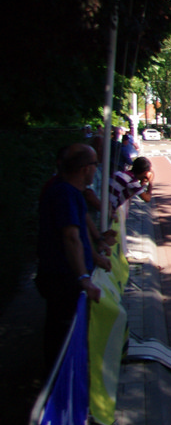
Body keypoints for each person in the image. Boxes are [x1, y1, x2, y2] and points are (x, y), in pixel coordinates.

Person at [36, 144, 111, 365]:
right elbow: (71, 236)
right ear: (85, 168)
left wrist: (95, 255)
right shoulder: (64, 193)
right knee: (62, 334)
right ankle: (60, 375)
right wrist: (83, 277)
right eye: (95, 164)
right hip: (63, 277)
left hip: (66, 275)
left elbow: (80, 229)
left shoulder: (71, 191)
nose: (97, 169)